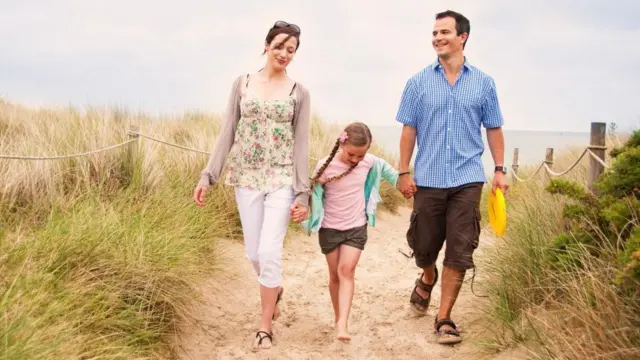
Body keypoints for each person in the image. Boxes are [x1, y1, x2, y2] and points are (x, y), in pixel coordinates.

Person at [192, 20, 311, 351]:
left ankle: (264, 323)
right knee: (253, 252)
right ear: (266, 44)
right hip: (245, 175)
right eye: (280, 46)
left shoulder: (298, 92)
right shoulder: (242, 83)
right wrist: (209, 175)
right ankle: (274, 289)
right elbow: (227, 131)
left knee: (270, 250)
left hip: (282, 177)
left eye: (292, 50)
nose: (285, 54)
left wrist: (303, 192)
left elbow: (301, 143)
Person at [394, 10, 509, 345]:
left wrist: (499, 169)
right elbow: (408, 131)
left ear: (463, 37)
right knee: (424, 246)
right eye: (434, 33)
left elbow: (494, 128)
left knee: (459, 249)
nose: (437, 38)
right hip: (428, 178)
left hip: (467, 178)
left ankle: (444, 318)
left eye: (444, 32)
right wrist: (404, 172)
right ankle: (427, 276)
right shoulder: (417, 82)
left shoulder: (484, 83)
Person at [298, 122, 401, 342]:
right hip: (329, 229)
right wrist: (303, 211)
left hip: (356, 226)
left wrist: (409, 186)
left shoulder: (370, 162)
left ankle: (343, 323)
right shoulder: (324, 166)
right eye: (351, 154)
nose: (355, 160)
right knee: (334, 275)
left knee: (347, 270)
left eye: (360, 156)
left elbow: (394, 175)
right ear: (342, 143)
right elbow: (311, 195)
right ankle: (338, 318)